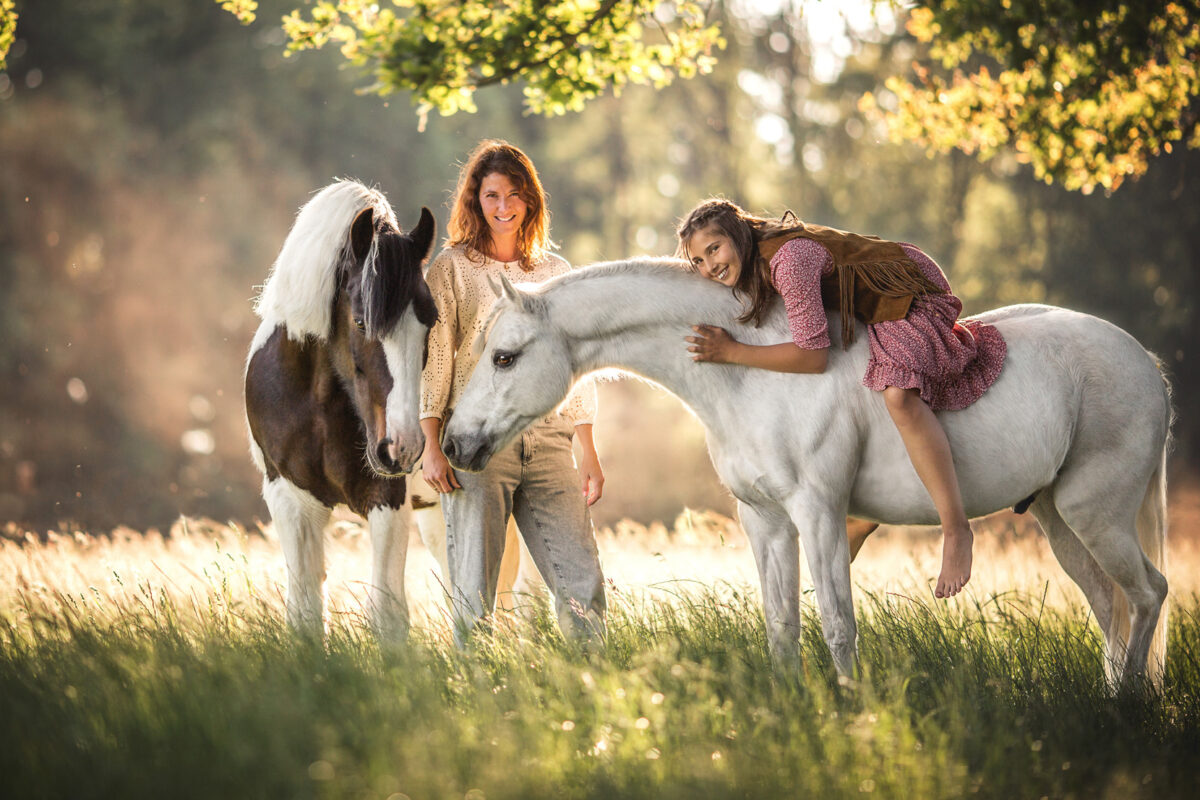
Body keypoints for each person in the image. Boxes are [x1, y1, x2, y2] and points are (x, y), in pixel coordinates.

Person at [677, 199, 1006, 598]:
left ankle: (956, 530)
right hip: (872, 305)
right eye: (697, 261)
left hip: (909, 291)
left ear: (738, 235)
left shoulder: (788, 260)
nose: (709, 266)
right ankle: (861, 518)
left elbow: (813, 356)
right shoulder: (755, 265)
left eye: (714, 249)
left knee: (899, 396)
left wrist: (731, 352)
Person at [420, 139, 606, 642]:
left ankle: (593, 693)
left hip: (548, 443)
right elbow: (437, 358)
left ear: (531, 200)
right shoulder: (452, 268)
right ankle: (475, 696)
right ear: (475, 201)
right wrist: (432, 444)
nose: (504, 208)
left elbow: (576, 365)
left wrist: (587, 448)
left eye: (514, 195)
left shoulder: (556, 274)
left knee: (582, 584)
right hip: (479, 442)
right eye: (492, 196)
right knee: (475, 593)